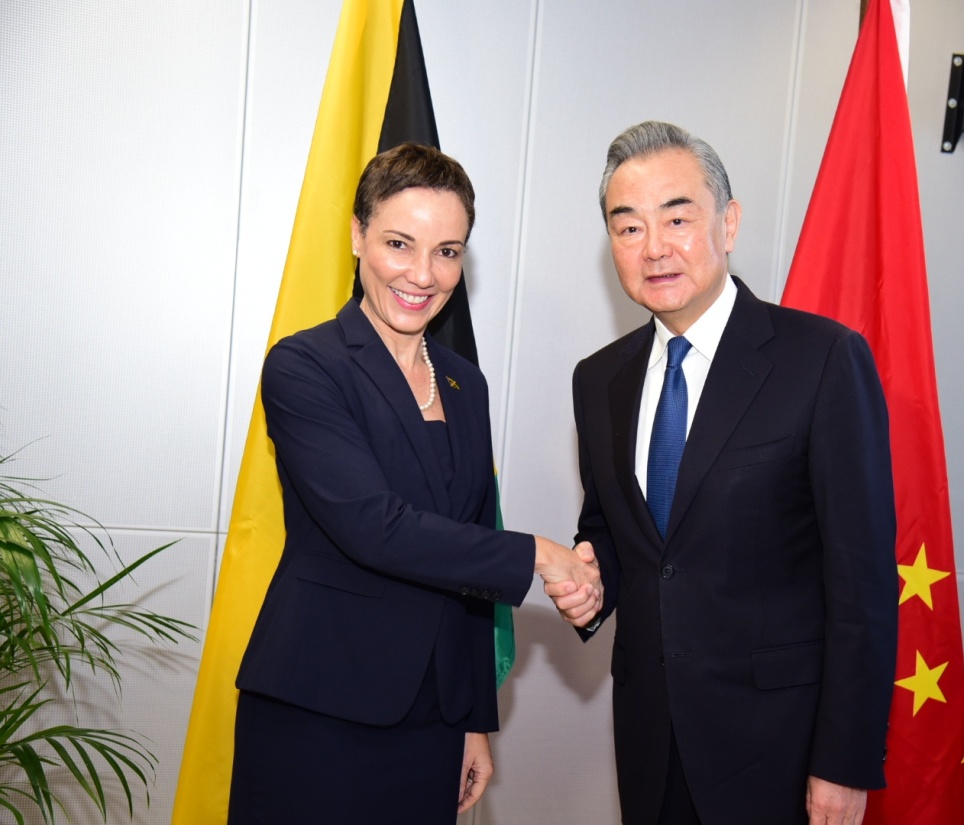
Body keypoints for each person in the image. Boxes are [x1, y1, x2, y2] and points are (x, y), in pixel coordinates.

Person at [230, 142, 601, 824]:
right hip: (320, 708)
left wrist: (473, 718)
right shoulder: (305, 365)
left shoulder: (466, 383)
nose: (423, 273)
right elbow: (377, 528)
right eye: (400, 242)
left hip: (433, 718)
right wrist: (540, 555)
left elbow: (464, 548)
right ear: (357, 235)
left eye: (448, 251)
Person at [547, 121, 898, 825]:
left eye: (678, 217)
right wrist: (592, 579)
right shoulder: (599, 379)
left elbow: (861, 582)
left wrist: (845, 760)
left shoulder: (822, 361)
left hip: (782, 749)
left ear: (728, 222)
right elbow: (618, 532)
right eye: (629, 227)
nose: (656, 247)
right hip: (650, 735)